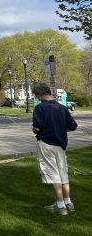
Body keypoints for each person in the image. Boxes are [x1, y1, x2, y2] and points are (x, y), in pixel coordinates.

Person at [31, 82, 78, 215]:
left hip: (46, 144)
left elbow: (37, 128)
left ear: (40, 94)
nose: (36, 98)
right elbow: (73, 126)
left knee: (53, 174)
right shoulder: (62, 107)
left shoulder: (40, 108)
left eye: (36, 95)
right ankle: (68, 202)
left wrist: (35, 129)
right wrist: (59, 129)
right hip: (61, 145)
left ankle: (60, 204)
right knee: (63, 172)